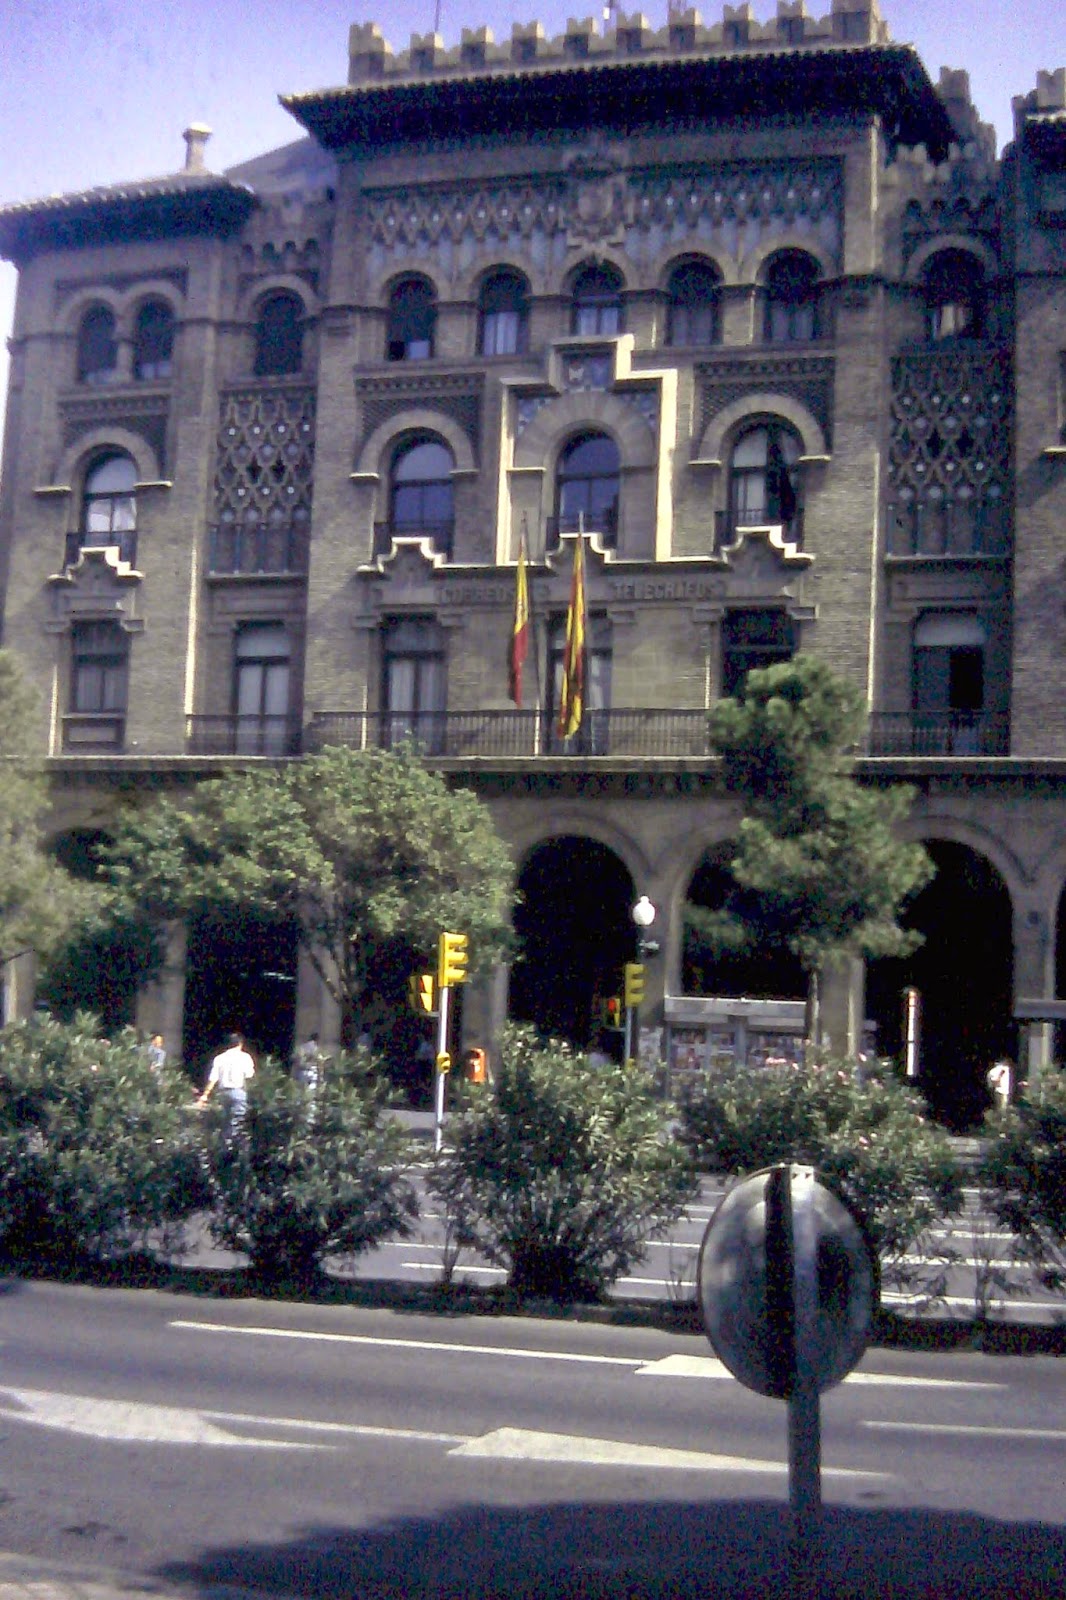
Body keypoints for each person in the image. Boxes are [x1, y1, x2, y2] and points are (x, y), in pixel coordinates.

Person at [198, 1032, 256, 1128]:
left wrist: (205, 1095)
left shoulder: (219, 1058)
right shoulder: (245, 1057)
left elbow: (213, 1078)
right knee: (238, 1121)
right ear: (240, 1044)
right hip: (239, 1091)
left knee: (226, 1121)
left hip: (223, 1093)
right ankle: (234, 1137)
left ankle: (226, 1137)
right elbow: (250, 1076)